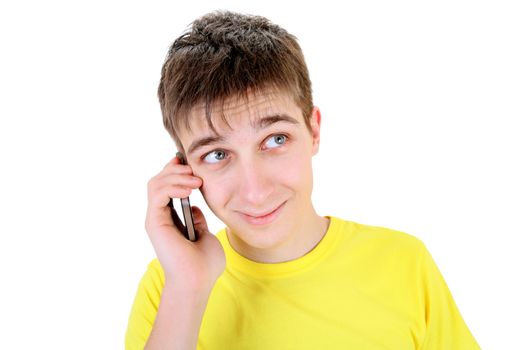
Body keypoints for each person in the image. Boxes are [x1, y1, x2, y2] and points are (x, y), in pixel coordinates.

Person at [125, 10, 480, 349]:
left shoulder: (404, 264)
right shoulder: (170, 287)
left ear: (313, 130)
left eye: (275, 140)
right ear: (185, 172)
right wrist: (187, 288)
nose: (256, 190)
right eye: (217, 155)